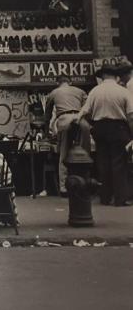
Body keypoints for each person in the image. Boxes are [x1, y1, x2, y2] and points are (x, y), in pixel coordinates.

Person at [77, 65, 133, 206]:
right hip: (118, 128)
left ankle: (105, 197)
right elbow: (131, 115)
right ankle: (120, 198)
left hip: (99, 128)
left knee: (103, 162)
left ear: (102, 77)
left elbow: (84, 113)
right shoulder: (123, 91)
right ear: (116, 77)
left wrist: (91, 126)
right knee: (119, 163)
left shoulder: (94, 92)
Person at [45, 74, 91, 196]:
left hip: (64, 119)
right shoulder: (80, 91)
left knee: (64, 153)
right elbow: (88, 108)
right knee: (85, 154)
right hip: (80, 118)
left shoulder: (54, 92)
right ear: (70, 82)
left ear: (57, 82)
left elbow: (47, 115)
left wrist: (46, 133)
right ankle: (84, 183)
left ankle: (64, 188)